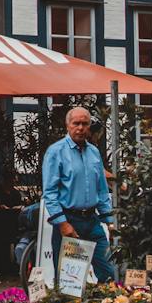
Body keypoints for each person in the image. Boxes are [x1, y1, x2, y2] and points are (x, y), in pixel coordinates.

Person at [42, 106, 117, 286]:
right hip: (70, 222)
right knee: (71, 282)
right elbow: (50, 192)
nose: (81, 128)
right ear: (68, 125)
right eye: (76, 123)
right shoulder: (56, 152)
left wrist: (109, 220)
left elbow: (101, 189)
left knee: (108, 275)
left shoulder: (94, 152)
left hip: (92, 222)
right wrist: (62, 223)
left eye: (85, 124)